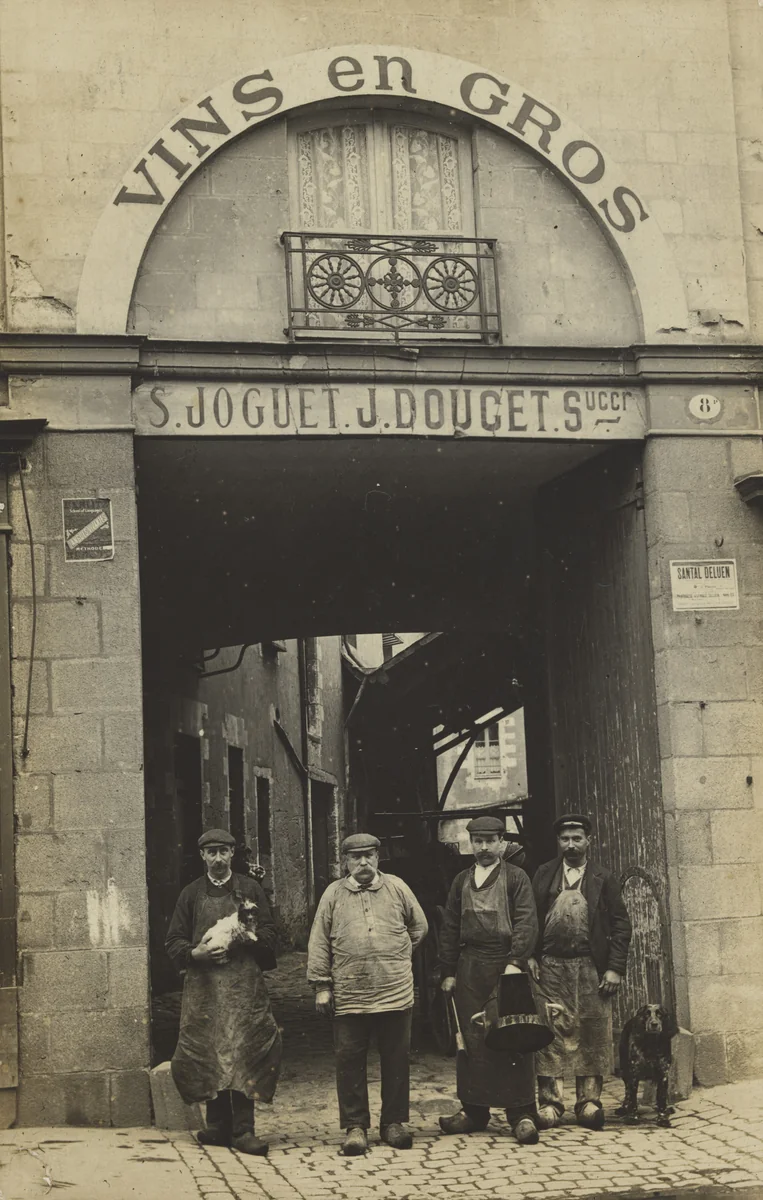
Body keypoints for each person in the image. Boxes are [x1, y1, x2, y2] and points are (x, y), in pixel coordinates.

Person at [307, 833, 429, 1156]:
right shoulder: (333, 895)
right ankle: (355, 1126)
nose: (362, 862)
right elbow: (319, 941)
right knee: (349, 1059)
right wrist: (322, 985)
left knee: (396, 1057)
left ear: (378, 858)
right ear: (345, 861)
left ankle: (393, 1123)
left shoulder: (398, 888)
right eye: (355, 857)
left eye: (368, 856)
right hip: (350, 994)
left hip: (394, 991)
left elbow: (420, 927)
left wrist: (397, 955)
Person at [165, 828, 281, 1155]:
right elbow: (173, 939)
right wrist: (194, 954)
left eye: (223, 852)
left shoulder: (249, 889)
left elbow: (271, 932)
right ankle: (217, 1126)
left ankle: (244, 1130)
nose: (217, 858)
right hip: (204, 988)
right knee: (209, 1048)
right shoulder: (190, 894)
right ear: (202, 856)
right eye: (211, 852)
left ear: (232, 855)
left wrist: (250, 937)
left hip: (244, 987)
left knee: (245, 1048)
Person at [438, 815, 542, 1145]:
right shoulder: (460, 882)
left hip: (507, 968)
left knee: (515, 1037)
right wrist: (448, 971)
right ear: (471, 844)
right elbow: (450, 928)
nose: (483, 847)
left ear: (501, 843)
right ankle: (474, 1110)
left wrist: (516, 962)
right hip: (471, 968)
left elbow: (527, 922)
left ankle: (522, 1113)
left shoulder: (517, 878)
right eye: (477, 841)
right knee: (472, 1041)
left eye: (490, 841)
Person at [528, 812, 632, 1131]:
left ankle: (588, 1102)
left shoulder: (604, 877)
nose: (570, 845)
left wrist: (614, 969)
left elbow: (621, 925)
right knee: (550, 1032)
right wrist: (530, 956)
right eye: (564, 839)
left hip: (590, 965)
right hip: (551, 966)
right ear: (557, 841)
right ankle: (550, 1104)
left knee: (592, 1031)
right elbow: (529, 917)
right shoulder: (544, 874)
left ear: (589, 841)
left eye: (577, 838)